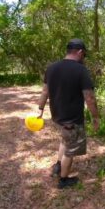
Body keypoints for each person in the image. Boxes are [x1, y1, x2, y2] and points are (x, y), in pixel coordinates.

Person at [37, 39, 99, 189]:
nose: (84, 57)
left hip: (58, 116)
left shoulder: (51, 68)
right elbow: (89, 98)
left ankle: (58, 166)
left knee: (65, 140)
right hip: (72, 119)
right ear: (79, 52)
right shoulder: (80, 70)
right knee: (70, 150)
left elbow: (45, 91)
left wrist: (40, 109)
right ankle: (64, 180)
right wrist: (96, 117)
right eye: (84, 54)